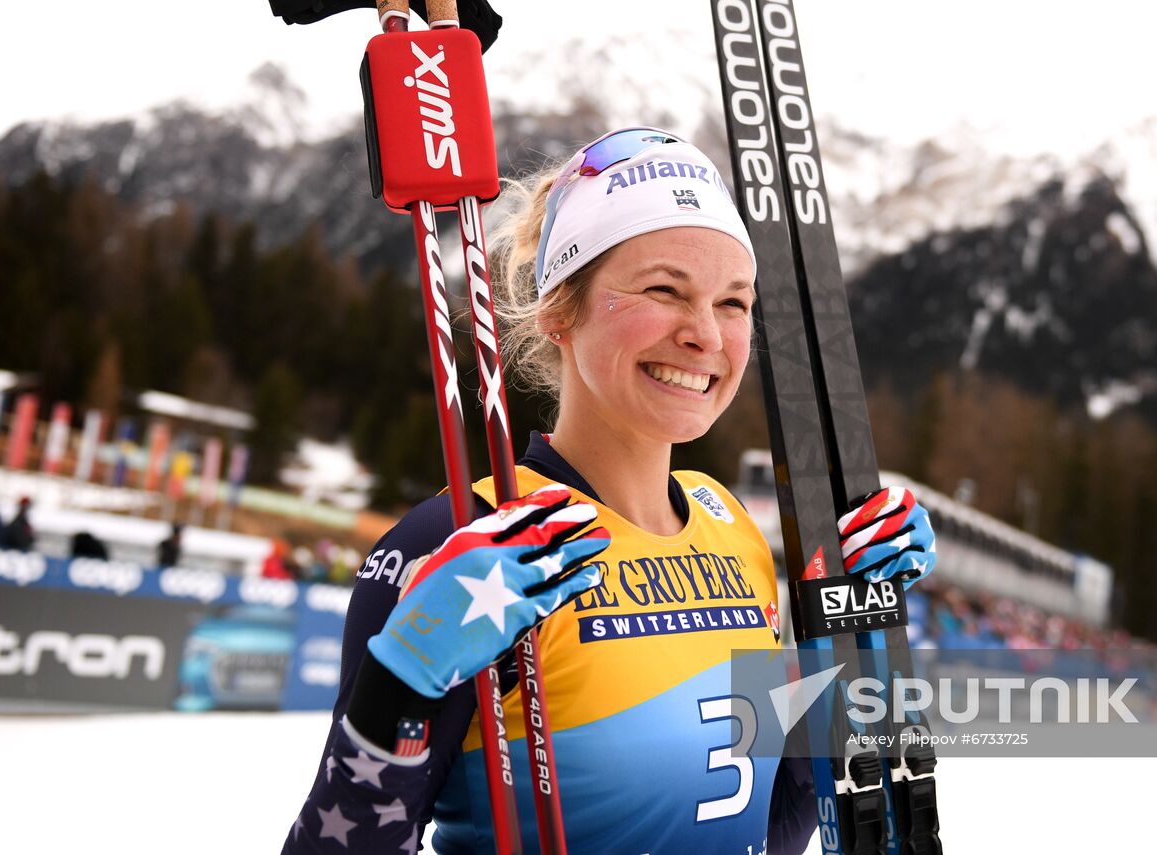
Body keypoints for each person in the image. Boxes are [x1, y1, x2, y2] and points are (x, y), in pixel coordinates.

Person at [282, 128, 937, 855]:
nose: (705, 335)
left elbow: (771, 822)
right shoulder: (462, 539)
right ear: (560, 309)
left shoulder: (729, 525)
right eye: (664, 289)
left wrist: (847, 636)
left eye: (733, 302)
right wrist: (400, 682)